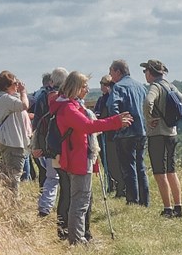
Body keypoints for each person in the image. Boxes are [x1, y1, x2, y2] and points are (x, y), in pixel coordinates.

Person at [45, 70, 133, 243]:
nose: (87, 89)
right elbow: (87, 126)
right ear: (76, 87)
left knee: (78, 199)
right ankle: (77, 240)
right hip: (77, 158)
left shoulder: (65, 105)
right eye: (84, 86)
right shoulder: (69, 108)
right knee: (80, 201)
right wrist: (115, 122)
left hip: (74, 156)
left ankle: (76, 237)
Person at [98, 59, 151, 206]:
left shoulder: (118, 87)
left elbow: (112, 106)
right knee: (140, 165)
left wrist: (117, 125)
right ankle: (145, 200)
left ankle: (132, 199)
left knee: (128, 166)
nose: (110, 75)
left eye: (111, 71)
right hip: (141, 131)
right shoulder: (141, 87)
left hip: (126, 132)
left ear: (118, 71)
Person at [141, 57, 182, 218]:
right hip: (171, 134)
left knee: (159, 173)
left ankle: (167, 209)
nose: (144, 74)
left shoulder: (155, 87)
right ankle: (178, 207)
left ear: (150, 72)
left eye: (145, 71)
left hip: (157, 135)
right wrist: (172, 119)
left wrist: (149, 119)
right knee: (171, 170)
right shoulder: (170, 86)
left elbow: (148, 102)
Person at [0, 71, 34, 186]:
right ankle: (13, 201)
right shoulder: (5, 99)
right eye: (15, 83)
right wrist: (23, 91)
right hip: (13, 143)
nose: (17, 86)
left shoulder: (5, 98)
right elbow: (24, 105)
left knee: (10, 176)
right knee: (14, 177)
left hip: (13, 142)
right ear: (7, 86)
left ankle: (8, 199)